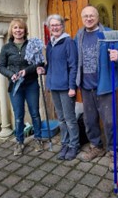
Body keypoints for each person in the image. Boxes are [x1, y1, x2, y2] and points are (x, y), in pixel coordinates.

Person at [75, 5, 118, 171]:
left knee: (110, 121)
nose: (89, 18)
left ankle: (113, 152)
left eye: (92, 15)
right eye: (85, 16)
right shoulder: (79, 35)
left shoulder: (108, 33)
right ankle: (96, 146)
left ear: (97, 17)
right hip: (86, 86)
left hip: (105, 85)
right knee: (89, 120)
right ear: (82, 18)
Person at [0, 18, 44, 156]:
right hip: (15, 86)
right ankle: (19, 141)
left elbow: (39, 62)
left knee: (35, 113)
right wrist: (11, 74)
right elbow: (0, 66)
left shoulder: (32, 44)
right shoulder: (6, 48)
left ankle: (38, 139)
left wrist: (27, 71)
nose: (18, 30)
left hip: (31, 84)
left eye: (21, 28)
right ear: (12, 30)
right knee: (18, 115)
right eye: (15, 28)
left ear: (25, 30)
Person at [37, 14, 79, 161]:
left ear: (62, 26)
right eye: (52, 25)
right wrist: (44, 70)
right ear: (49, 28)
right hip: (54, 86)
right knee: (61, 119)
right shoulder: (50, 44)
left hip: (66, 87)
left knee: (69, 119)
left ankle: (74, 145)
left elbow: (73, 66)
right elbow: (51, 65)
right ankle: (65, 143)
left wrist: (72, 87)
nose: (55, 27)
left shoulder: (68, 42)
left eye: (57, 25)